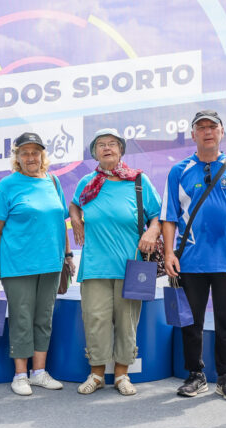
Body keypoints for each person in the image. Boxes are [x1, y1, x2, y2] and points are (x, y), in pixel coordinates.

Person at [162, 109, 226, 402]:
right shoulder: (178, 171)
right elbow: (169, 217)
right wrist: (169, 253)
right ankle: (196, 375)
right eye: (201, 127)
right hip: (190, 259)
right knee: (190, 321)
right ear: (193, 134)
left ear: (221, 132)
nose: (207, 131)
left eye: (212, 127)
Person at [69, 128, 161, 396]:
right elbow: (74, 204)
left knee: (126, 322)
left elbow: (157, 215)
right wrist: (75, 217)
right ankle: (96, 375)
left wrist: (152, 231)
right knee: (95, 320)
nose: (107, 148)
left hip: (131, 267)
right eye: (101, 145)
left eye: (112, 144)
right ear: (95, 153)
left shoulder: (139, 181)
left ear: (121, 150)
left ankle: (122, 375)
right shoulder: (87, 182)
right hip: (95, 266)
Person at [0, 132, 73, 396]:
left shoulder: (53, 182)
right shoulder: (7, 185)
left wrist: (68, 256)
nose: (31, 157)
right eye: (25, 153)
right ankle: (20, 375)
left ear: (42, 155)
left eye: (35, 152)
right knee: (22, 318)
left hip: (51, 264)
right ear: (17, 157)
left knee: (43, 318)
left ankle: (39, 372)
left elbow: (61, 222)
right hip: (17, 265)